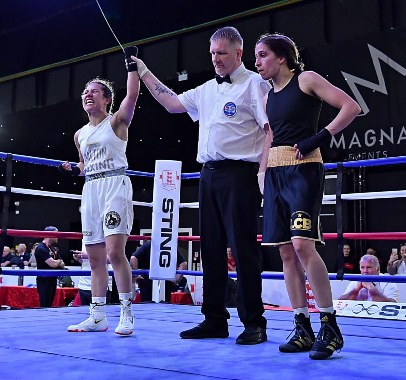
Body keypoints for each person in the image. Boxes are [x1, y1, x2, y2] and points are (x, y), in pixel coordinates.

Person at [131, 26, 270, 344]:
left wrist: (263, 172)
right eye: (212, 53)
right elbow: (171, 103)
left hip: (241, 174)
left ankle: (254, 322)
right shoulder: (207, 89)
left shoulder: (254, 84)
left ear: (238, 52)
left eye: (221, 53)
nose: (215, 59)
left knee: (243, 250)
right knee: (210, 250)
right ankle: (214, 320)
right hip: (209, 175)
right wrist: (143, 71)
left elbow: (269, 129)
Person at [254, 33, 361, 359]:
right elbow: (270, 136)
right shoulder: (268, 96)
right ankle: (302, 325)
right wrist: (261, 173)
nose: (257, 62)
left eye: (262, 55)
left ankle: (329, 324)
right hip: (274, 173)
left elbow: (351, 106)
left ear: (281, 57)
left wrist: (318, 137)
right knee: (285, 252)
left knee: (302, 245)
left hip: (304, 171)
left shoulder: (307, 79)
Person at [60, 47, 139, 335]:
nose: (88, 94)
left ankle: (127, 313)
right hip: (91, 188)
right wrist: (75, 169)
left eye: (95, 91)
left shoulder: (116, 122)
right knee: (94, 258)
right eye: (85, 91)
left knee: (116, 252)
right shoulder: (79, 134)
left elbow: (132, 96)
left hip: (115, 185)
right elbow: (85, 164)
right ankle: (97, 316)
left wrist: (132, 67)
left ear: (106, 99)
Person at [35, 226, 65, 307]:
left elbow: (62, 263)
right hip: (44, 280)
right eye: (56, 233)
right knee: (45, 305)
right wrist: (58, 262)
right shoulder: (41, 248)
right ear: (49, 234)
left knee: (49, 304)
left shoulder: (53, 249)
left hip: (52, 279)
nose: (58, 236)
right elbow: (54, 264)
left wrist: (57, 262)